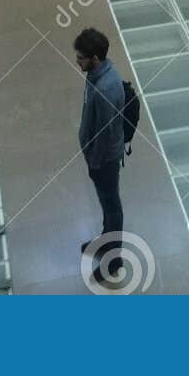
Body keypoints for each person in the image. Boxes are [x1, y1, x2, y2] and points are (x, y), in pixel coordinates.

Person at [73, 27, 127, 285]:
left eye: (81, 58)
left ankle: (114, 259)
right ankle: (106, 241)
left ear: (95, 58)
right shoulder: (96, 74)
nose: (77, 61)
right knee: (108, 204)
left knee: (112, 206)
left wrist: (94, 162)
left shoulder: (105, 88)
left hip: (104, 161)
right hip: (99, 157)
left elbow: (105, 136)